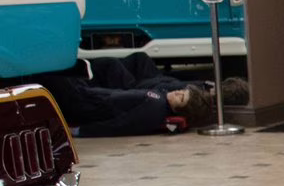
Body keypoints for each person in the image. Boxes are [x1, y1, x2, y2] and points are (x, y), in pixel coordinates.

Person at [26, 53, 245, 137]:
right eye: (180, 92)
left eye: (179, 97)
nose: (177, 92)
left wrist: (79, 131)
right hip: (90, 95)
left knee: (48, 73)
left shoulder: (154, 107)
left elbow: (122, 124)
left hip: (84, 103)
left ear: (178, 108)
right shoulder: (156, 99)